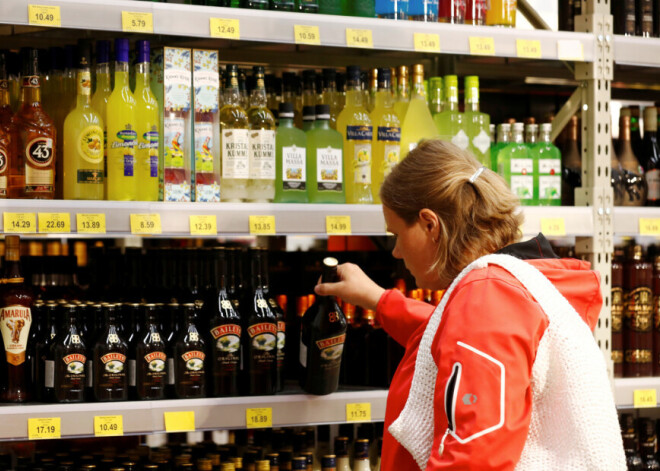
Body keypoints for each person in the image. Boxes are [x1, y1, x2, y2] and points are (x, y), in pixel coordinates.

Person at [315, 140, 625, 470]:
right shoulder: (513, 284)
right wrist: (378, 299)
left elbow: (474, 458)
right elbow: (451, 335)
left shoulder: (486, 295)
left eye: (397, 235)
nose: (396, 252)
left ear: (430, 224)